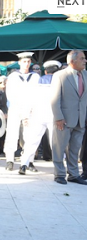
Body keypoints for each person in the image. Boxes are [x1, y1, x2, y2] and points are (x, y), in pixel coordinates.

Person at [50, 50, 87, 185]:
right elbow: (55, 98)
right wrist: (58, 117)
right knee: (59, 147)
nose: (85, 60)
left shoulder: (85, 74)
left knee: (75, 149)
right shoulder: (60, 75)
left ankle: (73, 174)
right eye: (82, 58)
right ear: (72, 61)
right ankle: (59, 174)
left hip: (80, 119)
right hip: (64, 119)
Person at [4, 52, 40, 171]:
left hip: (30, 110)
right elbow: (10, 95)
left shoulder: (35, 77)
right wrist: (20, 109)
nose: (26, 64)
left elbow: (36, 94)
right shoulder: (13, 77)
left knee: (30, 136)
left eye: (28, 62)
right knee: (12, 134)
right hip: (15, 108)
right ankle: (10, 160)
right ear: (19, 62)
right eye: (24, 62)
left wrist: (30, 109)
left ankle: (29, 161)